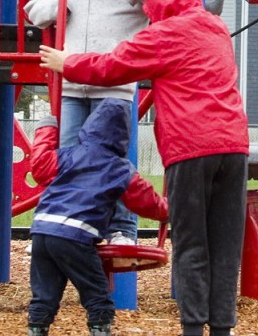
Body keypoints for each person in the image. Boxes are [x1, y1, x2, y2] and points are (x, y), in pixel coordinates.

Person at [40, 0, 249, 336]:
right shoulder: (216, 27)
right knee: (226, 244)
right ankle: (222, 328)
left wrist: (67, 62)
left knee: (191, 242)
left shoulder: (164, 34)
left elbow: (113, 67)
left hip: (190, 147)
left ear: (158, 6)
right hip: (234, 146)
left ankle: (193, 328)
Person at [23, 0, 151, 244]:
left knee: (111, 160)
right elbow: (33, 10)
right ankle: (74, 222)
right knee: (65, 156)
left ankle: (122, 228)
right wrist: (50, 7)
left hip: (113, 87)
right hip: (70, 86)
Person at [26, 101, 169, 336]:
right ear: (124, 136)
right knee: (96, 293)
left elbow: (40, 167)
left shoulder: (68, 154)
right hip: (75, 236)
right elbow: (145, 201)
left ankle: (37, 328)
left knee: (45, 293)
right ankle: (100, 329)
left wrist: (46, 129)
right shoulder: (120, 168)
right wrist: (167, 210)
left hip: (42, 230)